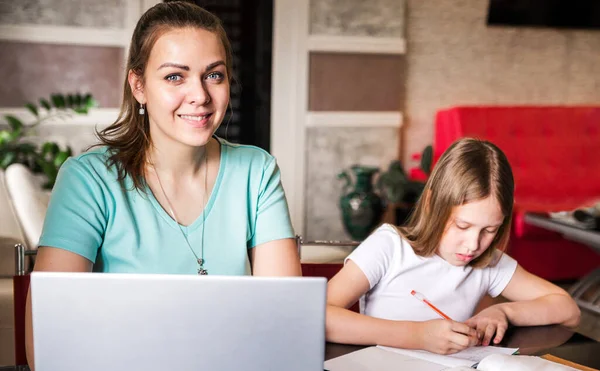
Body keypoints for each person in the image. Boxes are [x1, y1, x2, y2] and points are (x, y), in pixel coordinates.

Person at [25, 1, 301, 367]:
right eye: (175, 76)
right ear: (138, 85)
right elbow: (47, 341)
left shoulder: (257, 170)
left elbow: (284, 320)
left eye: (214, 75)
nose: (200, 95)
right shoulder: (88, 179)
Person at [325, 138, 580, 355]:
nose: (473, 245)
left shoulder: (489, 262)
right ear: (432, 204)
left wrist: (503, 312)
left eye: (489, 230)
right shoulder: (389, 247)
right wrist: (417, 336)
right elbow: (320, 316)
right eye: (462, 225)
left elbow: (567, 309)